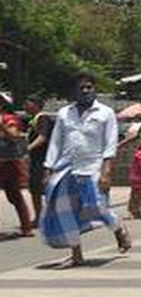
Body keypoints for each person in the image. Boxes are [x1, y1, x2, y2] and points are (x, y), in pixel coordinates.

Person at [40, 72, 132, 267]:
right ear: (74, 91)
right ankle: (76, 255)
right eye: (81, 87)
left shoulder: (105, 113)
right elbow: (56, 142)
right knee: (67, 211)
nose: (86, 91)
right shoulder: (65, 113)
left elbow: (110, 144)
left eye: (89, 87)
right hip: (66, 167)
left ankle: (118, 229)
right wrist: (48, 169)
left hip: (93, 167)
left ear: (95, 89)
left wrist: (106, 172)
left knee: (97, 206)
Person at [0, 94, 34, 237]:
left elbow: (13, 135)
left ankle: (26, 227)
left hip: (9, 163)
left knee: (14, 196)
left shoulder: (10, 119)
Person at [24, 94, 52, 224]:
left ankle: (47, 217)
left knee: (43, 189)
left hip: (43, 159)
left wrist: (28, 148)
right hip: (36, 159)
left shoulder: (42, 118)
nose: (25, 106)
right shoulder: (34, 119)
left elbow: (42, 137)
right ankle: (39, 217)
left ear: (36, 105)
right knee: (35, 190)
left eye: (28, 103)